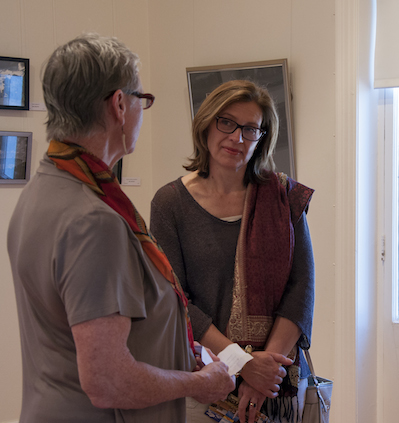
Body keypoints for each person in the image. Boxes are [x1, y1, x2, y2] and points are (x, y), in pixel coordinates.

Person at [7, 33, 235, 423]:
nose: (142, 111)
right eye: (142, 100)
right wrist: (196, 384)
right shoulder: (93, 220)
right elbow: (107, 381)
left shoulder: (41, 190)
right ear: (119, 105)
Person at [150, 80, 315, 423]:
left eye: (250, 129)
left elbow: (302, 289)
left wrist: (263, 371)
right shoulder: (170, 204)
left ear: (262, 137)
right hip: (204, 383)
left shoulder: (282, 196)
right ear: (207, 124)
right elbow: (174, 298)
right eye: (226, 123)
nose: (237, 138)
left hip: (276, 383)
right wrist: (243, 364)